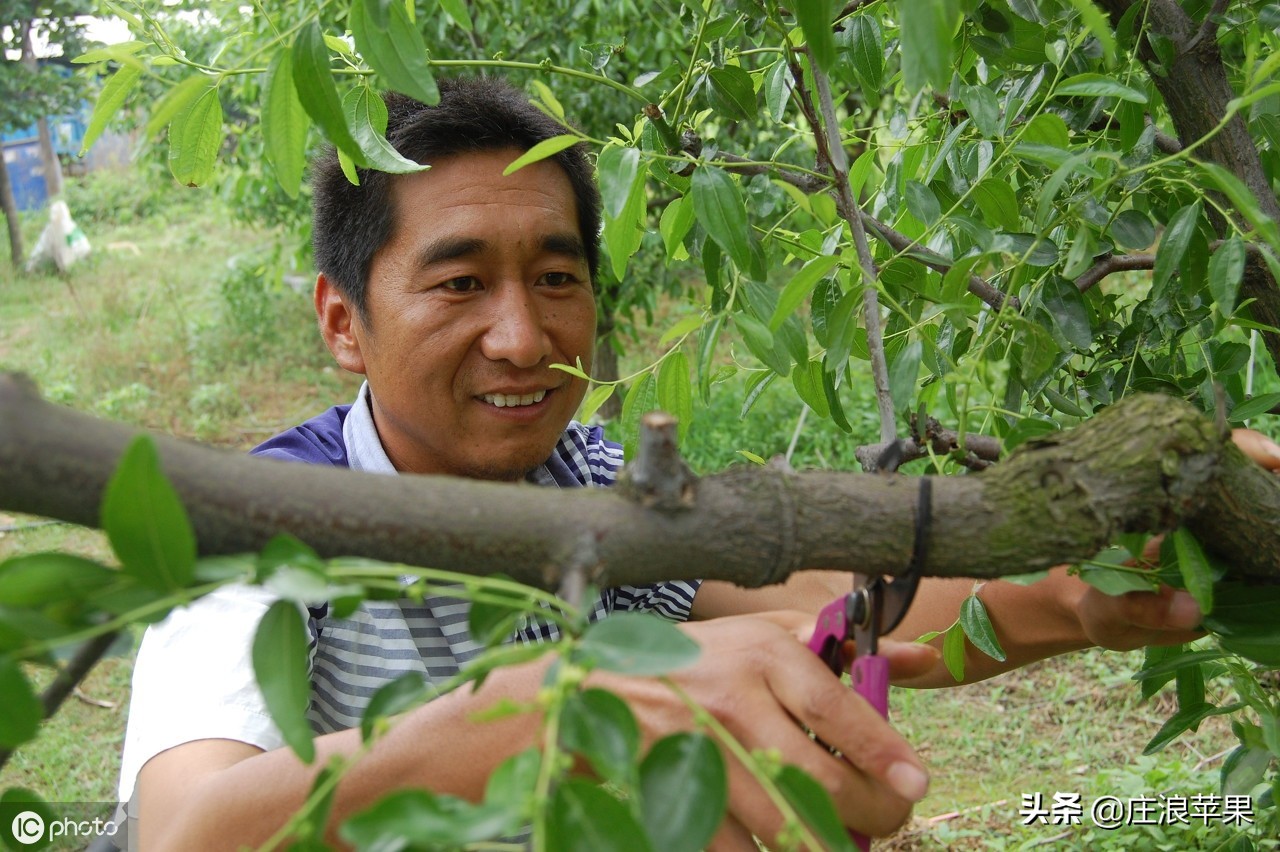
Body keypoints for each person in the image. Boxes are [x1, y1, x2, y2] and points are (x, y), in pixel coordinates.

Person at [116, 77, 1280, 851]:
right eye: (459, 282)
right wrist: (557, 705)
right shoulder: (257, 532)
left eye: (556, 278)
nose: (520, 336)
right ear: (342, 322)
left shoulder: (589, 482)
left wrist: (1080, 587)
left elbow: (832, 597)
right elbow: (184, 831)